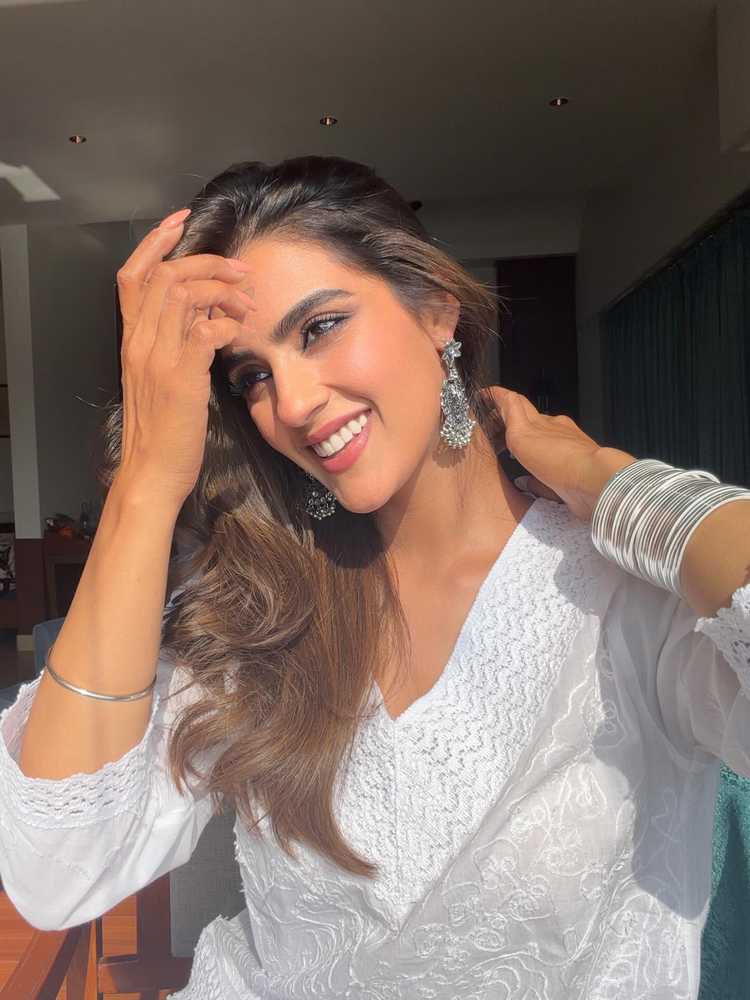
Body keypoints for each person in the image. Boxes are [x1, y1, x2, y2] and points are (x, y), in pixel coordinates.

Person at [1, 155, 749, 1000]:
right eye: (252, 376)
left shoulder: (630, 599)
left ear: (435, 307)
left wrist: (612, 482)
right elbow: (56, 870)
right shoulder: (266, 608)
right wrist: (146, 479)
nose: (291, 404)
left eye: (319, 327)